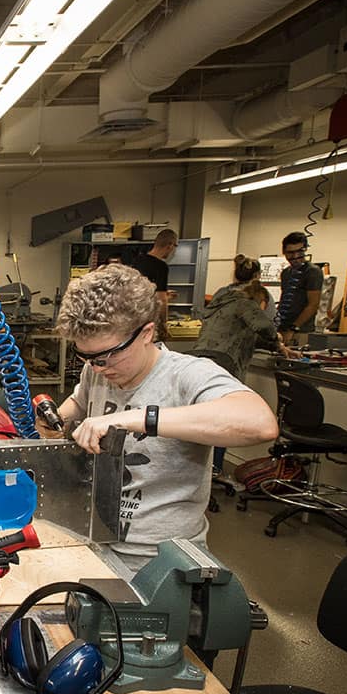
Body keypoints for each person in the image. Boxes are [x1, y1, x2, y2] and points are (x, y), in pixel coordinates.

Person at [44, 265, 278, 570]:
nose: (97, 367)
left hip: (159, 564)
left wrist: (137, 419)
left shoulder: (187, 374)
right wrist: (56, 418)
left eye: (107, 356)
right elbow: (78, 400)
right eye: (86, 356)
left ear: (147, 333)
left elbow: (259, 423)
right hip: (94, 543)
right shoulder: (97, 370)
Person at [194, 255, 296, 476]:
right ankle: (215, 469)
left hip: (199, 362)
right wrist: (279, 343)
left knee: (203, 419)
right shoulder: (246, 304)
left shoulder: (222, 301)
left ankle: (204, 469)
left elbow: (240, 336)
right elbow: (265, 328)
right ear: (260, 301)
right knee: (224, 421)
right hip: (224, 365)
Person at [275, 231, 324, 345]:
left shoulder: (312, 272)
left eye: (299, 251)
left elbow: (313, 305)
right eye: (291, 253)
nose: (295, 257)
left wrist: (293, 328)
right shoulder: (286, 273)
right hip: (283, 328)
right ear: (284, 252)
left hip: (300, 331)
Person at [129, 228, 178, 339]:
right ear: (170, 245)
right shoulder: (161, 267)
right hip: (148, 319)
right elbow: (161, 300)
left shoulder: (137, 260)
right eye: (175, 246)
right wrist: (163, 324)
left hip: (133, 317)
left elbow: (140, 290)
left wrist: (165, 294)